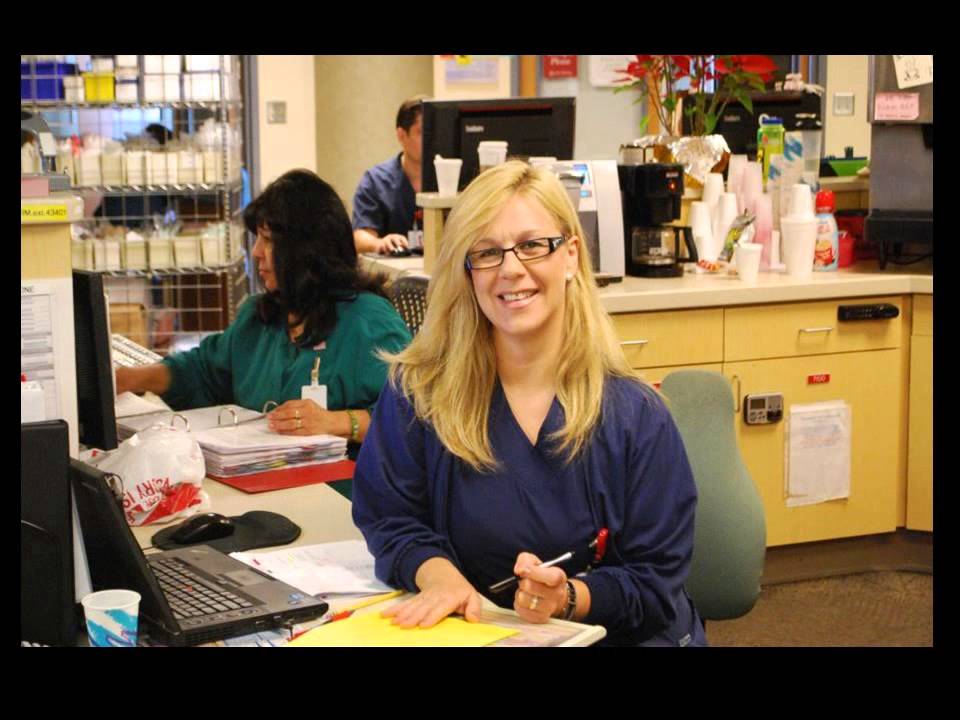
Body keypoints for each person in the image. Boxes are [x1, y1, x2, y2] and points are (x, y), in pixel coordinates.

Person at [351, 161, 707, 646]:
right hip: (480, 633)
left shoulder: (636, 416)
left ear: (571, 257)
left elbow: (655, 582)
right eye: (487, 252)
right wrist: (440, 577)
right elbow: (391, 518)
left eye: (533, 245)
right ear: (468, 272)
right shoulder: (419, 395)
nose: (511, 269)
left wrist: (568, 597)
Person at [116, 169, 413, 496]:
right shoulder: (259, 316)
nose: (256, 252)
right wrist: (132, 379)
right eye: (258, 238)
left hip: (344, 499)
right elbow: (204, 370)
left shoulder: (368, 323)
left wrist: (337, 422)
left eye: (269, 241)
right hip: (263, 492)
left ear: (308, 249)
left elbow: (416, 418)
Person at [352, 95, 428, 255]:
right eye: (422, 132)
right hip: (394, 274)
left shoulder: (452, 179)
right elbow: (359, 237)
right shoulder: (375, 181)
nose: (431, 139)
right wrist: (379, 243)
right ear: (401, 135)